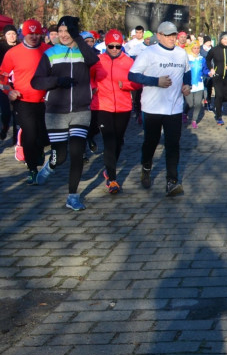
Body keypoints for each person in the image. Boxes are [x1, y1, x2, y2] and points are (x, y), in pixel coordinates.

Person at [30, 16, 100, 210]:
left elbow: (93, 59)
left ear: (74, 33)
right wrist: (56, 82)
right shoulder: (51, 53)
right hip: (56, 111)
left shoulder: (83, 52)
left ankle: (72, 196)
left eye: (67, 31)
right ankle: (51, 165)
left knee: (77, 153)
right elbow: (36, 81)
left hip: (81, 110)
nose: (63, 35)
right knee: (60, 156)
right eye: (60, 31)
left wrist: (78, 39)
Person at [128, 21, 191, 196]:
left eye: (174, 35)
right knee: (151, 142)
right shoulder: (149, 53)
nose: (172, 38)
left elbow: (187, 71)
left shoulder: (181, 53)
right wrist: (155, 81)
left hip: (175, 107)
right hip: (153, 107)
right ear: (159, 35)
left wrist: (187, 85)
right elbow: (132, 75)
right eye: (168, 35)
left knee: (173, 145)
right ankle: (146, 167)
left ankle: (172, 181)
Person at [90, 30, 141, 194]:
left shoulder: (128, 62)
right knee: (109, 141)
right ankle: (112, 179)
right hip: (102, 106)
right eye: (111, 46)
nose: (114, 49)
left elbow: (137, 83)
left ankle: (108, 169)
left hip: (123, 107)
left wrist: (125, 85)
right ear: (106, 45)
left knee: (118, 142)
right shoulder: (97, 61)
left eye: (117, 46)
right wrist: (93, 87)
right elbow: (89, 78)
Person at [0, 19, 49, 183]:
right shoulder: (13, 53)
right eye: (30, 34)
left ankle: (40, 149)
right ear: (23, 35)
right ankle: (32, 169)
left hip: (45, 100)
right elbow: (2, 78)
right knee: (29, 134)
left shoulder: (48, 50)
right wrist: (9, 91)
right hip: (23, 100)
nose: (34, 37)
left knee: (43, 136)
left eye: (37, 34)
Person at [206, 32, 227, 125]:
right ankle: (219, 116)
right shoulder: (214, 50)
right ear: (220, 39)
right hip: (217, 76)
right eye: (224, 39)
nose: (226, 41)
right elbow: (208, 59)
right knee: (219, 95)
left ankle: (218, 105)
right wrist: (211, 69)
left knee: (226, 97)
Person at [184, 40, 208, 129]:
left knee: (198, 104)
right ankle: (185, 113)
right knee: (190, 104)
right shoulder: (187, 58)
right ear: (191, 49)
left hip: (199, 84)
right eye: (194, 48)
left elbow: (205, 70)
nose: (196, 50)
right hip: (189, 85)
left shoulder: (202, 59)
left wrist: (209, 72)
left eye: (198, 48)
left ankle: (194, 120)